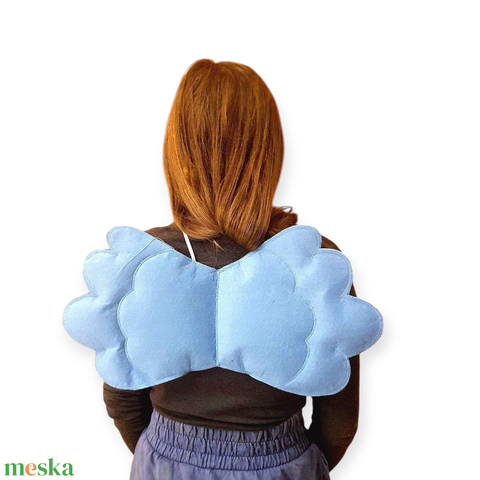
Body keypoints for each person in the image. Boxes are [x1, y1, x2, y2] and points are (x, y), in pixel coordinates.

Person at [66, 59, 381, 479]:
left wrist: (162, 456)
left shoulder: (141, 259)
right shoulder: (314, 260)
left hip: (168, 459)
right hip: (281, 460)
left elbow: (123, 396)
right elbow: (340, 417)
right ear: (268, 151)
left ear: (177, 151)